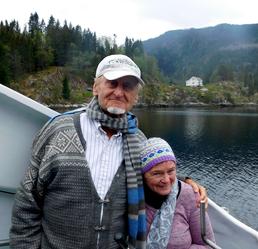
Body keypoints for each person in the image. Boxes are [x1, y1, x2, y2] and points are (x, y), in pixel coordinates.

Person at [10, 54, 207, 249]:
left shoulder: (138, 141)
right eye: (112, 83)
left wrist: (186, 182)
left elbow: (153, 174)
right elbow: (28, 202)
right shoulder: (59, 130)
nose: (119, 93)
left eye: (128, 86)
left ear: (136, 96)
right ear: (96, 87)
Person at [140, 137, 215, 249]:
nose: (166, 180)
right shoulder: (133, 196)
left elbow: (207, 245)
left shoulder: (190, 195)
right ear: (143, 175)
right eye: (157, 173)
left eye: (171, 171)